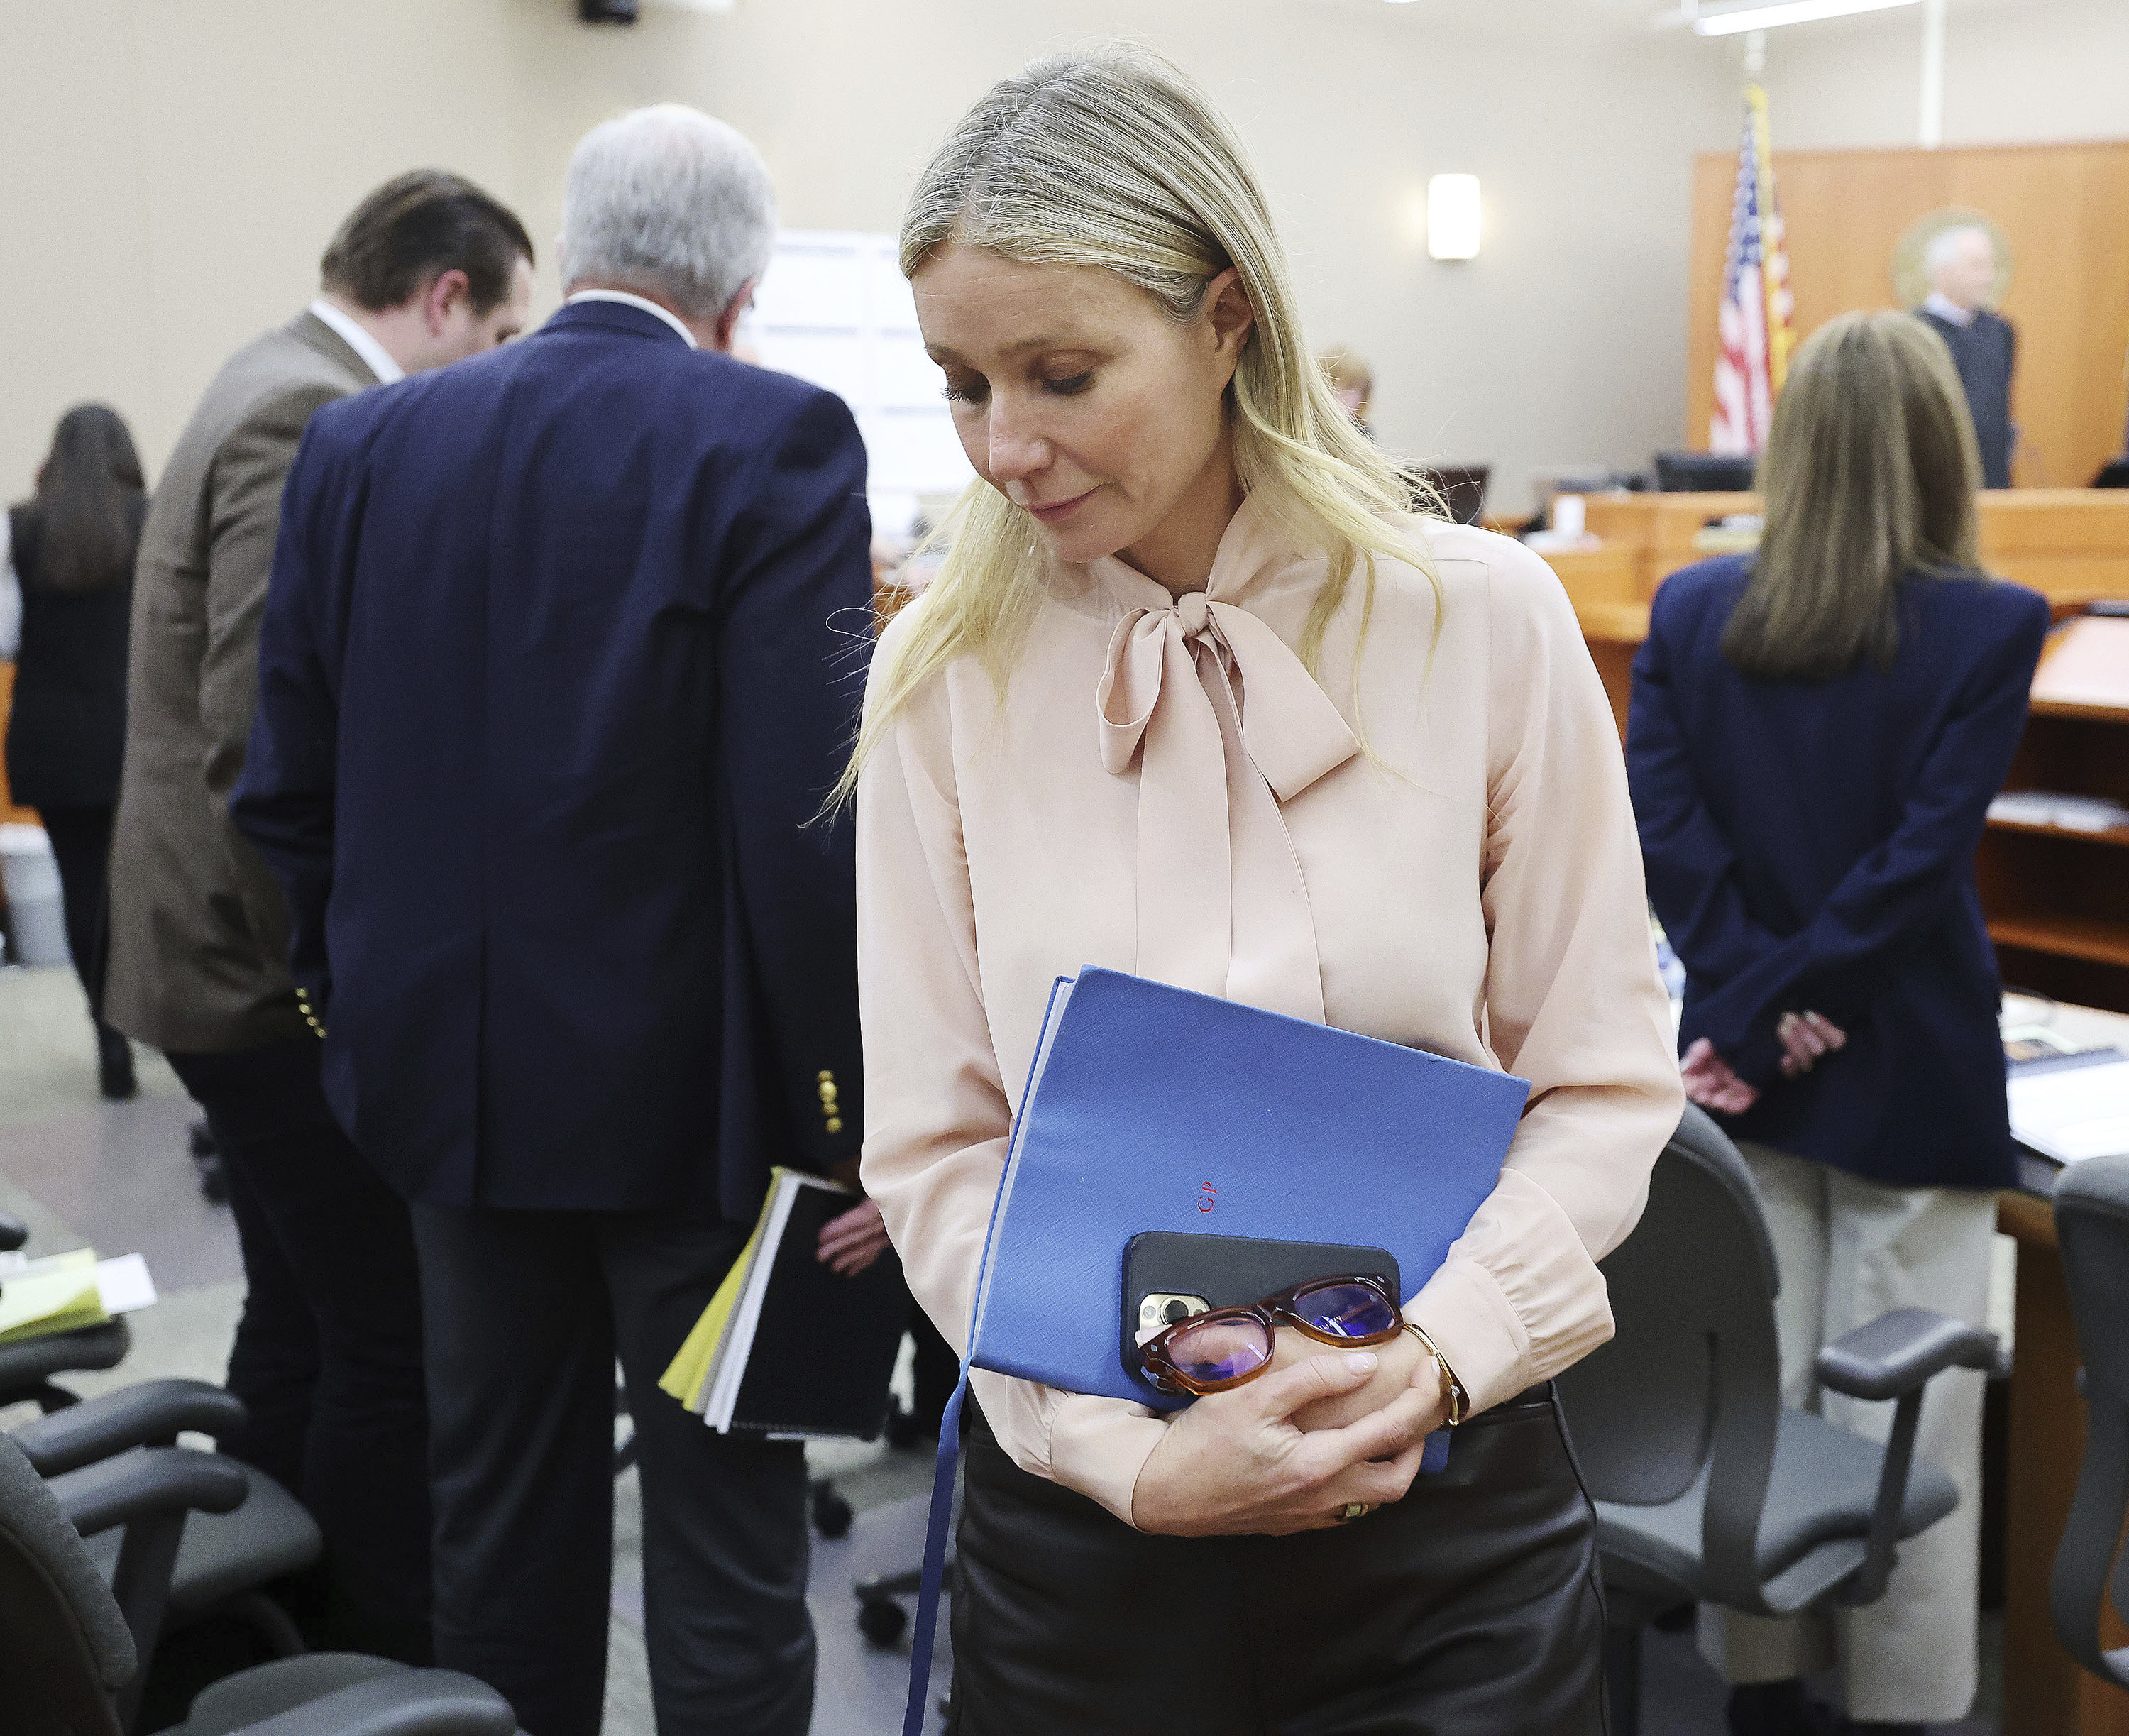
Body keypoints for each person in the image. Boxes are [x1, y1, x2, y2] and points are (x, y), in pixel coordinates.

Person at [852, 50, 1683, 1732]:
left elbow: (1598, 1085)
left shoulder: (1482, 624)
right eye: (959, 383)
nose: (1002, 445)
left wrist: (1431, 1354)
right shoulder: (943, 677)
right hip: (1090, 1537)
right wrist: (1121, 1455)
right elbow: (939, 1150)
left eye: (1061, 373)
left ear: (1226, 315)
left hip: (1440, 1522)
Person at [233, 106, 879, 1736]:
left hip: (444, 1098)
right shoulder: (775, 437)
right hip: (704, 1120)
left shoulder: (366, 445)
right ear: (738, 288)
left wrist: (350, 1018)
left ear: (571, 241)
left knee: (498, 1540)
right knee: (725, 1560)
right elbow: (802, 830)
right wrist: (843, 1121)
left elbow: (283, 791)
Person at [101, 169, 536, 1662]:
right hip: (250, 968)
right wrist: (338, 986)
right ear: (441, 300)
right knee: (386, 1336)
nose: (496, 373)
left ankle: (232, 1624)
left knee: (296, 1310)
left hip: (192, 945)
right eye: (500, 335)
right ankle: (371, 1649)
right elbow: (253, 733)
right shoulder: (316, 415)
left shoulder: (262, 371)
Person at [1627, 310, 2050, 1736]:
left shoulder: (1691, 610)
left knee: (1767, 1382)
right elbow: (1921, 863)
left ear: (1788, 445)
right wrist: (1803, 1001)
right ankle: (1908, 1704)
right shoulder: (1992, 623)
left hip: (1742, 1071)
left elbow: (1670, 837)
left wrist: (1753, 1011)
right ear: (1946, 450)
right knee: (1904, 1409)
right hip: (1910, 1054)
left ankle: (1763, 1683)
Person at [1, 406, 146, 1099]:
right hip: (137, 737)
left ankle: (108, 1037)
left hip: (53, 739)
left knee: (82, 886)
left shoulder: (21, 527)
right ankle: (168, 1025)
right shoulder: (152, 518)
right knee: (150, 889)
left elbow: (4, 636)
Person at [1913, 224, 2015, 489]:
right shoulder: (1913, 331)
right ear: (1942, 271)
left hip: (1992, 478)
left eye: (1990, 266)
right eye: (1976, 266)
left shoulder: (2000, 330)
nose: (1987, 278)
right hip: (1933, 477)